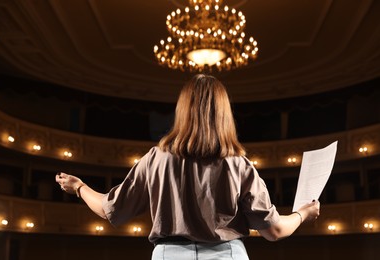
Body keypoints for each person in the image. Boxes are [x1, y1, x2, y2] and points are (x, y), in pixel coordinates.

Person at [55, 74, 320, 260]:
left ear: (182, 110)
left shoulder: (155, 158)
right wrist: (302, 214)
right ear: (224, 114)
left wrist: (79, 187)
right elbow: (274, 231)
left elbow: (110, 209)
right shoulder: (239, 164)